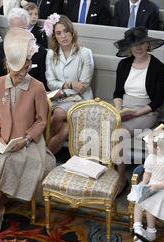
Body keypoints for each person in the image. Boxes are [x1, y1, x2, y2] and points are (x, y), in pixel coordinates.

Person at [0, 28, 55, 237]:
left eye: (26, 67)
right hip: (0, 138)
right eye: (17, 70)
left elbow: (41, 121)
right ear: (7, 65)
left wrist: (26, 139)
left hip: (27, 142)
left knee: (7, 164)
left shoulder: (37, 87)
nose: (22, 74)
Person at [113, 26, 164, 191]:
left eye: (142, 43)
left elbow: (157, 101)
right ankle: (106, 172)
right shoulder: (124, 64)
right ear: (129, 47)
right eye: (134, 44)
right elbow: (118, 93)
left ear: (148, 44)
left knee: (119, 132)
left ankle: (121, 178)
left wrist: (136, 113)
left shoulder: (158, 67)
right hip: (123, 108)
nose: (138, 47)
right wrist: (119, 112)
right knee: (105, 124)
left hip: (146, 111)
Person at [44, 14, 94, 155]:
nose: (63, 36)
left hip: (81, 99)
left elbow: (83, 86)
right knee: (64, 128)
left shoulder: (85, 53)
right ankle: (47, 156)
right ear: (55, 36)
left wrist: (64, 90)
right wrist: (70, 84)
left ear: (72, 32)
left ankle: (43, 152)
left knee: (58, 113)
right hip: (59, 97)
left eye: (66, 31)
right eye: (58, 33)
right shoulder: (50, 54)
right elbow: (50, 83)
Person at [127, 125, 164, 242]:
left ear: (158, 148)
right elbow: (147, 173)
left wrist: (157, 187)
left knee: (150, 203)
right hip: (152, 184)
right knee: (139, 199)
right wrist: (144, 182)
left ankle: (151, 232)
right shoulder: (151, 157)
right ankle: (137, 227)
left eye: (148, 144)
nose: (146, 146)